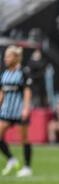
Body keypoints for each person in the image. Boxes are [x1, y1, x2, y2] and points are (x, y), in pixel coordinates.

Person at [0, 45, 33, 177]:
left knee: (24, 139)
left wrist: (26, 108)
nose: (5, 59)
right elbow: (2, 92)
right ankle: (11, 159)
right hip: (6, 111)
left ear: (16, 57)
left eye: (8, 56)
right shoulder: (4, 73)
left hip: (19, 111)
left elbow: (27, 91)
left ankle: (27, 167)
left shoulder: (23, 73)